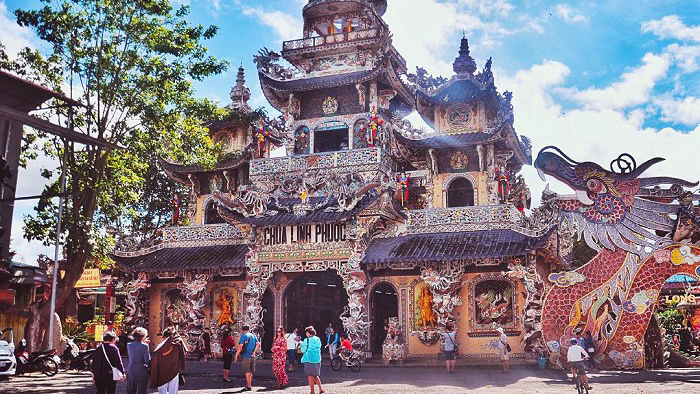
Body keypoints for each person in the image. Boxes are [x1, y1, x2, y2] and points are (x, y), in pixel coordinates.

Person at [150, 327, 187, 394]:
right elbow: (183, 354)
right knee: (173, 390)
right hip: (174, 370)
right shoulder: (177, 344)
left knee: (162, 389)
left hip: (162, 372)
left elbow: (155, 360)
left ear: (163, 336)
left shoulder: (160, 347)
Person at [234, 325, 260, 391]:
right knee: (251, 371)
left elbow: (241, 346)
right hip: (252, 356)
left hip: (246, 355)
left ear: (242, 330)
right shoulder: (253, 335)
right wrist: (254, 352)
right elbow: (258, 344)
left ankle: (248, 385)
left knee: (247, 371)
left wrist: (236, 354)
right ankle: (250, 384)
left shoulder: (243, 336)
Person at [126, 327, 151, 394]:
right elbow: (147, 360)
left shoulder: (129, 345)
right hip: (141, 370)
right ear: (143, 336)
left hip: (131, 369)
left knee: (131, 390)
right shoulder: (145, 346)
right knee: (142, 391)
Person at [301, 326, 324, 394]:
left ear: (308, 333)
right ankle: (320, 389)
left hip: (309, 359)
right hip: (317, 359)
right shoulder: (317, 339)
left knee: (310, 376)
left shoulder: (306, 340)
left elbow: (303, 350)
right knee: (316, 375)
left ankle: (312, 391)